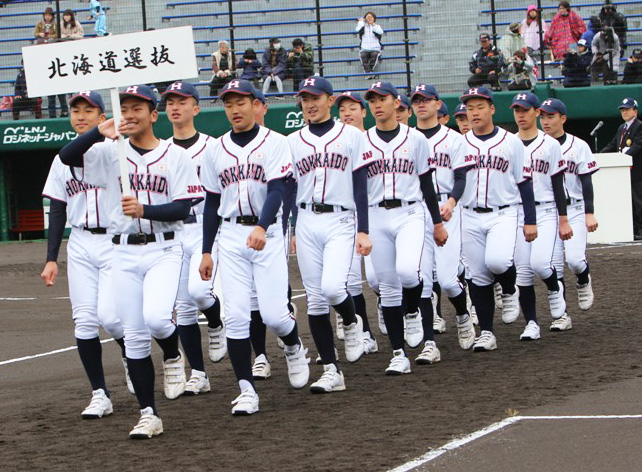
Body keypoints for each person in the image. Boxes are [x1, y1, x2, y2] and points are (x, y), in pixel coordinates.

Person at [59, 84, 202, 439]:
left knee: (156, 318)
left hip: (163, 249)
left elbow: (183, 207)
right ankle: (149, 414)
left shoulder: (175, 156)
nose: (132, 113)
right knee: (134, 337)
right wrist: (97, 131)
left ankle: (172, 351)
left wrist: (145, 209)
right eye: (126, 107)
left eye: (139, 107)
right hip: (121, 250)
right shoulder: (110, 152)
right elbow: (67, 157)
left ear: (154, 114)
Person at [199, 79, 310, 414]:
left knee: (275, 315)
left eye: (241, 102)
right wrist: (206, 250)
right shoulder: (215, 149)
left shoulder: (274, 142)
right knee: (235, 316)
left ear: (256, 104)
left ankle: (293, 345)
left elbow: (277, 190)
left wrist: (262, 225)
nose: (234, 109)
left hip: (268, 234)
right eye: (229, 103)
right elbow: (211, 203)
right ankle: (246, 390)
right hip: (231, 236)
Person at [41, 90, 130, 419]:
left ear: (101, 114)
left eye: (88, 110)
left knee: (111, 317)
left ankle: (130, 356)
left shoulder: (117, 150)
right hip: (79, 243)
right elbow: (58, 208)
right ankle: (100, 394)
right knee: (85, 322)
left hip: (113, 240)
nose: (80, 115)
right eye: (75, 110)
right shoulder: (63, 157)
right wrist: (51, 257)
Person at [288, 77, 372, 392]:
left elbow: (361, 184)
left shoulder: (351, 136)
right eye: (305, 97)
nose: (310, 103)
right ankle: (331, 370)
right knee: (315, 301)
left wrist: (363, 228)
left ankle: (352, 321)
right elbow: (291, 187)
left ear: (329, 99)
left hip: (341, 219)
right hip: (308, 219)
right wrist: (294, 227)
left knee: (334, 288)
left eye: (315, 97)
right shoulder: (293, 140)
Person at [363, 81, 447, 374]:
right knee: (387, 288)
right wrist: (362, 228)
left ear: (396, 102)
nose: (377, 104)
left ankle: (412, 311)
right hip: (376, 215)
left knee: (409, 272)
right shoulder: (363, 141)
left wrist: (437, 223)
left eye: (382, 98)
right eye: (372, 100)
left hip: (410, 211)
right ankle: (398, 353)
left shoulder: (415, 139)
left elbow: (427, 184)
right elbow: (359, 189)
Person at [459, 87, 537, 351]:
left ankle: (510, 287)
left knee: (498, 260)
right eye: (470, 108)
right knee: (478, 276)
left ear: (492, 109)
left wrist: (530, 219)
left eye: (479, 106)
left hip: (503, 212)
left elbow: (524, 182)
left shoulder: (510, 141)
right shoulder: (461, 143)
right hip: (468, 214)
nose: (474, 112)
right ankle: (487, 333)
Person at [161, 82, 227, 396]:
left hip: (205, 225)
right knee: (184, 308)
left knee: (201, 293)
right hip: (175, 230)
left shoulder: (213, 146)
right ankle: (199, 374)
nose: (175, 107)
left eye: (182, 101)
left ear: (196, 108)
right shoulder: (161, 150)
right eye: (170, 102)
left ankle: (215, 322)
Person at [410, 83, 476, 362]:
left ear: (438, 105)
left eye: (426, 100)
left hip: (447, 207)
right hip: (416, 210)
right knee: (422, 279)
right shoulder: (407, 138)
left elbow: (461, 178)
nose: (421, 104)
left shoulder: (454, 139)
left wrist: (451, 202)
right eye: (417, 100)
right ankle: (429, 343)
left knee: (449, 281)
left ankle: (462, 313)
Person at [510, 92, 573, 339]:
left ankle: (554, 288)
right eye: (517, 110)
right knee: (523, 272)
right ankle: (532, 323)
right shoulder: (508, 142)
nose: (521, 115)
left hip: (546, 208)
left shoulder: (551, 145)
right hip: (516, 210)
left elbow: (558, 184)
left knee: (540, 263)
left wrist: (564, 218)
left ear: (537, 112)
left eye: (525, 110)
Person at [540, 98, 598, 321]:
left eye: (551, 116)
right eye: (542, 116)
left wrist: (589, 212)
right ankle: (562, 316)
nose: (545, 121)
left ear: (562, 118)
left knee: (574, 260)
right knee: (553, 266)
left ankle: (583, 279)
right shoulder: (537, 145)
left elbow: (586, 181)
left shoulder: (579, 145)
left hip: (574, 209)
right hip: (548, 211)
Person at [334, 90, 379, 355]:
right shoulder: (336, 141)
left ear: (364, 112)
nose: (347, 113)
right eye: (342, 109)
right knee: (348, 281)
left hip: (375, 213)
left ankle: (387, 305)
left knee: (376, 278)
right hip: (344, 216)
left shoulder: (374, 140)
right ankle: (365, 334)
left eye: (353, 108)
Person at [601, 98, 642, 240]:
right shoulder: (621, 128)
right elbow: (613, 144)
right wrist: (599, 155)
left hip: (637, 172)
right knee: (628, 202)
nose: (624, 112)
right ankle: (633, 228)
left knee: (639, 202)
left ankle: (641, 229)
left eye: (627, 109)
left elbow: (637, 145)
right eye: (622, 110)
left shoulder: (639, 126)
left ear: (635, 111)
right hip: (623, 174)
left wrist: (623, 157)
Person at [356, 12, 384, 79]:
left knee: (374, 55)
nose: (369, 19)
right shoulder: (363, 27)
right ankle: (368, 73)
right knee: (363, 56)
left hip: (375, 48)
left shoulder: (377, 26)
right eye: (368, 17)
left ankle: (370, 72)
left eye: (371, 17)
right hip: (364, 48)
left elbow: (380, 32)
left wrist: (373, 25)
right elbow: (357, 29)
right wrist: (361, 22)